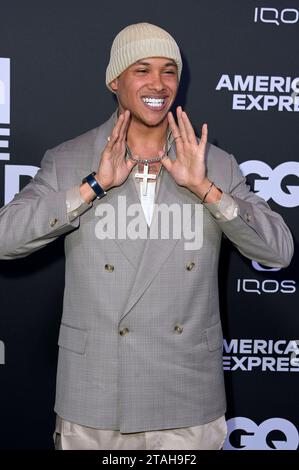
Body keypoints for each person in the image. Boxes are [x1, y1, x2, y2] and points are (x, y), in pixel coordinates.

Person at [0, 22, 294, 450]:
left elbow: (279, 250)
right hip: (96, 399)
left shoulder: (214, 163)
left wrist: (206, 189)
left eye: (168, 70)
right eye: (142, 70)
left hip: (186, 400)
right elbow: (5, 239)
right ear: (115, 80)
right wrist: (93, 186)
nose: (158, 83)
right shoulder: (68, 160)